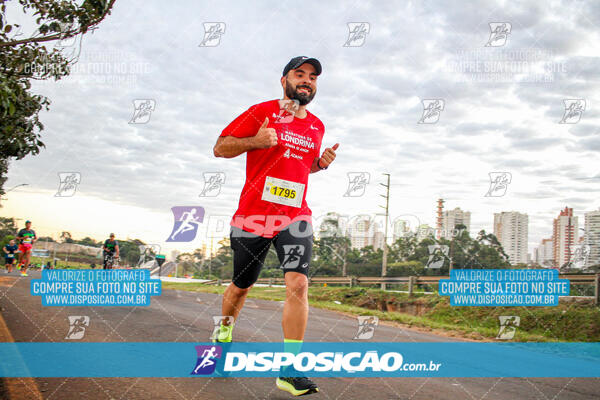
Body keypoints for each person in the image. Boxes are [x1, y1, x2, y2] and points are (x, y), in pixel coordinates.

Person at [212, 56, 338, 396]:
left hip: (295, 217)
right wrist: (255, 140)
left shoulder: (316, 126)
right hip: (252, 217)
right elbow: (220, 147)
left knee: (298, 284)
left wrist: (319, 165)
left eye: (313, 77)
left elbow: (299, 168)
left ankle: (289, 369)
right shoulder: (261, 111)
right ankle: (224, 331)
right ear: (284, 79)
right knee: (241, 287)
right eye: (300, 74)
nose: (307, 81)